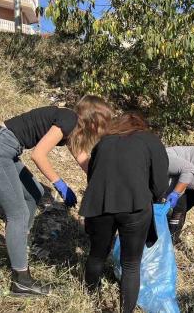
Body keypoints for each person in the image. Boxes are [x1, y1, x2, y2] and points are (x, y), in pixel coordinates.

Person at [0, 95, 113, 296]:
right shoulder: (69, 118)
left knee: (33, 193)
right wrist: (59, 183)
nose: (104, 130)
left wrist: (107, 183)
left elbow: (84, 161)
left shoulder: (72, 127)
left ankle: (19, 245)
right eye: (104, 124)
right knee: (17, 214)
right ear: (94, 119)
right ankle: (22, 282)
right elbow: (38, 154)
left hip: (0, 146)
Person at [80, 113, 169, 313]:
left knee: (96, 256)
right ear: (141, 126)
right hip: (135, 207)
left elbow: (92, 176)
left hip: (100, 205)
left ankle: (90, 301)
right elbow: (161, 184)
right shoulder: (150, 140)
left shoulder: (103, 142)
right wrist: (152, 196)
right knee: (130, 264)